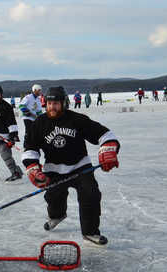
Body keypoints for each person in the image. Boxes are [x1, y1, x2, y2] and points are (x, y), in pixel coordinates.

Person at [22, 86, 120, 246]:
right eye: (49, 103)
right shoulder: (39, 123)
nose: (52, 107)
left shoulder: (76, 119)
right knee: (53, 198)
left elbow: (104, 134)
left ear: (64, 103)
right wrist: (32, 167)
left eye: (56, 103)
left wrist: (109, 147)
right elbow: (30, 148)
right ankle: (57, 215)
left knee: (91, 195)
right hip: (54, 170)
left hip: (80, 168)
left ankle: (90, 232)